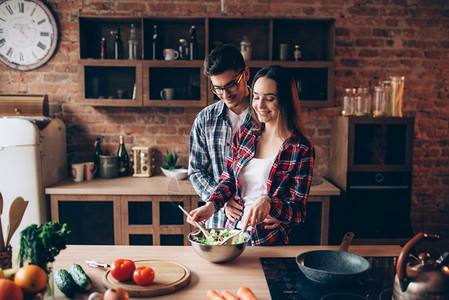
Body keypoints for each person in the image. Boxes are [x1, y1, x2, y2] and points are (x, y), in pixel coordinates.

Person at [187, 65, 314, 246]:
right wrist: (212, 205)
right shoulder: (245, 135)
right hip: (230, 238)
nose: (259, 105)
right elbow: (229, 178)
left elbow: (298, 212)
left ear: (285, 100)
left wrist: (270, 203)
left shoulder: (301, 149)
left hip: (268, 242)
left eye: (269, 99)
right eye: (255, 97)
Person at [188, 45, 252, 229]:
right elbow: (196, 170)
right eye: (217, 89)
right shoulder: (205, 119)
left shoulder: (264, 115)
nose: (225, 95)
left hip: (258, 224)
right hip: (219, 222)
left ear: (246, 74)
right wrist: (221, 201)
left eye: (231, 85)